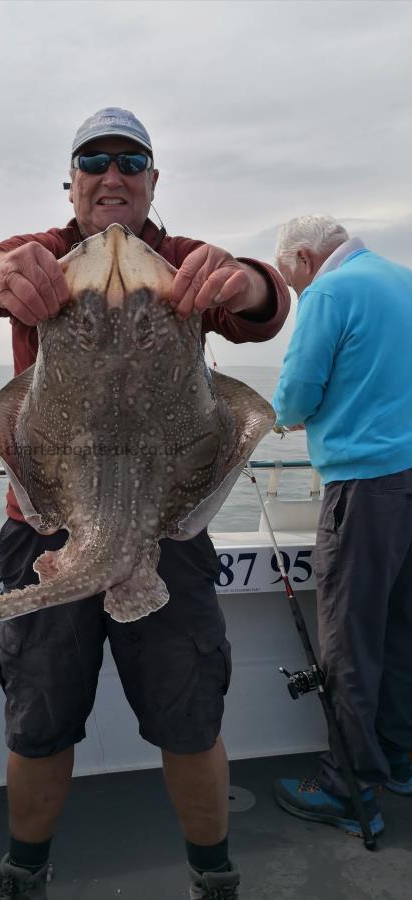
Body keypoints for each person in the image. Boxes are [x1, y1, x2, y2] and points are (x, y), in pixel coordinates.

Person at [0, 107, 290, 900]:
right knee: (39, 722)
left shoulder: (188, 260)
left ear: (152, 181)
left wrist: (250, 280)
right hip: (47, 526)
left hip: (169, 527)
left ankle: (213, 876)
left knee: (189, 717)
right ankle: (24, 874)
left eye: (131, 161)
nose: (112, 174)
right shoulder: (46, 255)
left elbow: (262, 311)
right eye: (93, 160)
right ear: (72, 181)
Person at [271, 215, 412, 838]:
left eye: (288, 279)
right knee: (401, 629)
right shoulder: (402, 280)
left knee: (350, 639)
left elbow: (297, 393)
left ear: (304, 258)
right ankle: (401, 759)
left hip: (363, 486)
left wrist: (287, 416)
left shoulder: (329, 291)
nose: (295, 290)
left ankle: (348, 787)